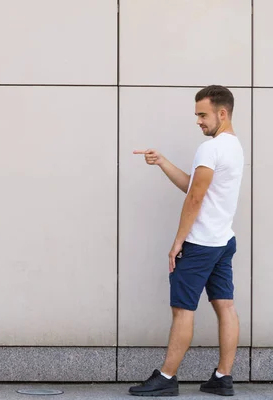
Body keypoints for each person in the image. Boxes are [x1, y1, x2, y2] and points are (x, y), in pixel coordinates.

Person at [129, 85, 243, 397]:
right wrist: (163, 162)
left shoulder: (211, 149)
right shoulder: (234, 147)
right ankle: (223, 377)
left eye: (203, 115)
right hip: (223, 240)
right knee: (226, 306)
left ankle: (166, 378)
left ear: (222, 113)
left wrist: (179, 241)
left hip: (201, 243)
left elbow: (195, 197)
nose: (198, 121)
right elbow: (197, 187)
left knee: (182, 310)